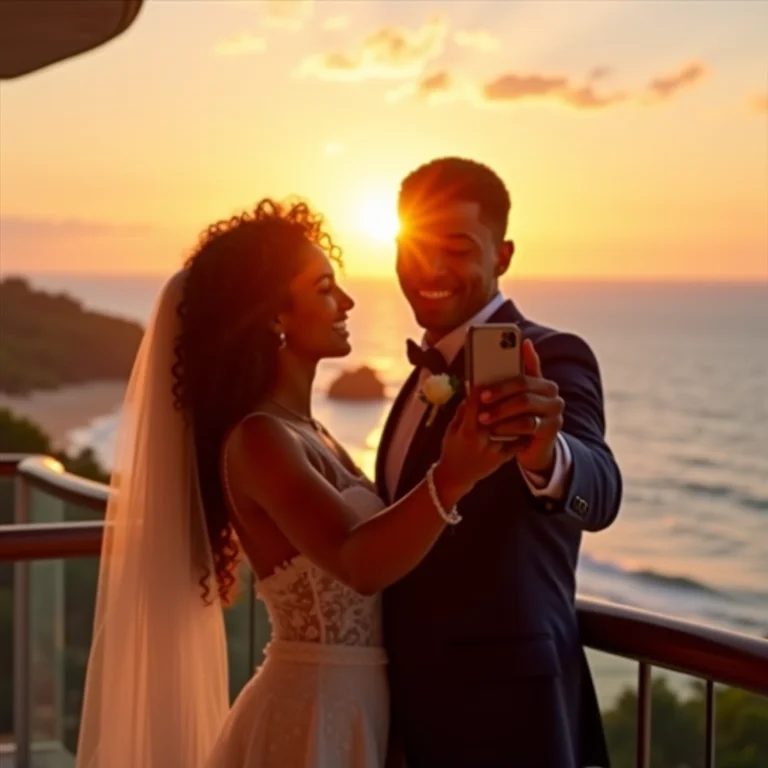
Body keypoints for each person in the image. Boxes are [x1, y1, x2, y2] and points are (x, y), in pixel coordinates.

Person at [75, 198, 516, 768]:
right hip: (310, 717)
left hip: (360, 705)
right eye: (326, 288)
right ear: (274, 316)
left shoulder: (308, 431)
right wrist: (453, 478)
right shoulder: (260, 439)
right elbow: (356, 563)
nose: (348, 302)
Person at [378, 157, 623, 767]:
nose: (430, 269)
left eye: (457, 249)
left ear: (504, 256)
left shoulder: (555, 356)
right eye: (414, 246)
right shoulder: (419, 377)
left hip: (508, 718)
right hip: (410, 710)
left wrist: (547, 451)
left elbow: (601, 484)